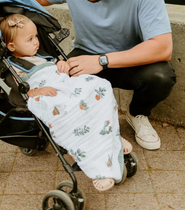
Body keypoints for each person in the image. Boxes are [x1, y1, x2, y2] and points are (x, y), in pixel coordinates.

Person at [0, 14, 133, 191]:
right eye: (30, 39)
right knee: (68, 110)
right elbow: (21, 90)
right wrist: (36, 91)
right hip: (46, 95)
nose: (36, 41)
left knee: (100, 86)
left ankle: (109, 133)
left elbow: (57, 70)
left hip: (65, 85)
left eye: (36, 36)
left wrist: (61, 65)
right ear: (11, 46)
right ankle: (91, 162)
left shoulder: (41, 56)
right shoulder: (14, 65)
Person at [36, 0, 177, 150]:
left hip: (131, 57)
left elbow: (163, 47)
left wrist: (101, 61)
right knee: (61, 83)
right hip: (86, 53)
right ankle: (96, 123)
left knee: (161, 77)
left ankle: (137, 113)